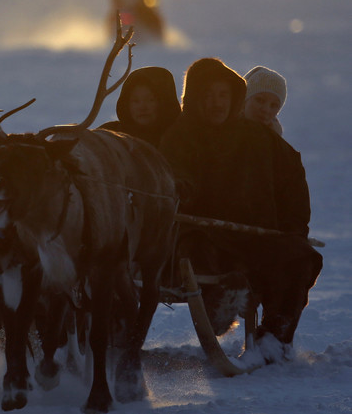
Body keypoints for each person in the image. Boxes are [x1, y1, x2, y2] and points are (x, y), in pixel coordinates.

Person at [159, 57, 322, 362]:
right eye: (208, 95)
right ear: (195, 98)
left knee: (300, 257)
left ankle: (275, 338)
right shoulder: (180, 136)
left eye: (223, 95)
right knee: (201, 252)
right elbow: (174, 178)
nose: (217, 102)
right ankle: (220, 304)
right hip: (202, 232)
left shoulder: (257, 136)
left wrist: (292, 232)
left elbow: (292, 188)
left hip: (256, 237)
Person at [99, 66, 180, 147]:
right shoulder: (109, 136)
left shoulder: (180, 138)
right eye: (135, 101)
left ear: (164, 102)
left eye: (150, 100)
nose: (142, 107)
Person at [243, 65, 286, 135]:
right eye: (260, 100)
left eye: (274, 105)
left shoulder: (275, 139)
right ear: (244, 99)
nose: (266, 110)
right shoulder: (225, 130)